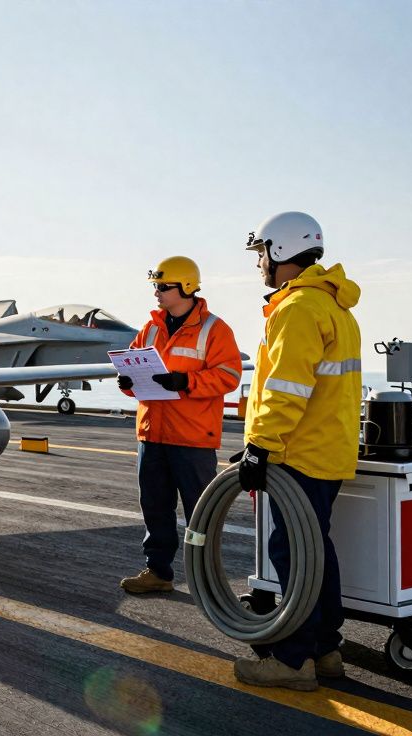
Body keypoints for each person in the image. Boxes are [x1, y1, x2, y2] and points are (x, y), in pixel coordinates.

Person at [233, 211, 362, 691]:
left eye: (262, 253)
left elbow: (286, 390)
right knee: (316, 553)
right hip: (327, 453)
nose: (259, 264)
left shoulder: (298, 309)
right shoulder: (335, 307)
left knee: (291, 555)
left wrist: (259, 448)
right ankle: (326, 651)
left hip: (300, 455)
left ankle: (292, 661)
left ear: (281, 251)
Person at [118, 256, 242, 594]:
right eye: (156, 286)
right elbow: (134, 364)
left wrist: (186, 381)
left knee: (200, 514)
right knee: (155, 508)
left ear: (185, 287)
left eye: (162, 286)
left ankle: (208, 580)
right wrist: (127, 381)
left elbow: (229, 375)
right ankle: (158, 572)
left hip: (192, 439)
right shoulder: (151, 328)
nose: (156, 292)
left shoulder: (215, 329)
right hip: (152, 435)